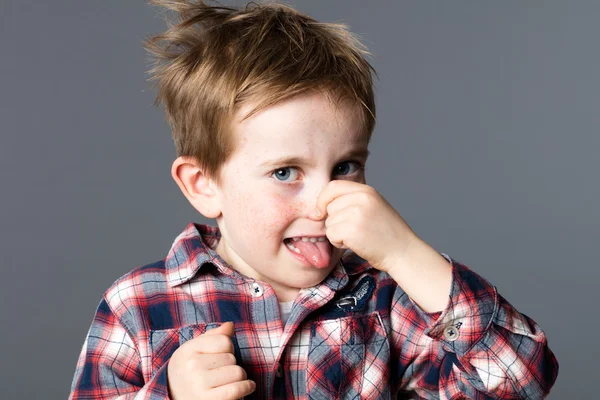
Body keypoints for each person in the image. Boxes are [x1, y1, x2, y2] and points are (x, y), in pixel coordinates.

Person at [69, 1, 559, 399]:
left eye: (345, 167)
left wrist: (407, 254)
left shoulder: (385, 301)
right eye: (286, 172)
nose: (325, 201)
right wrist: (170, 393)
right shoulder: (138, 306)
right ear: (204, 184)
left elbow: (521, 381)